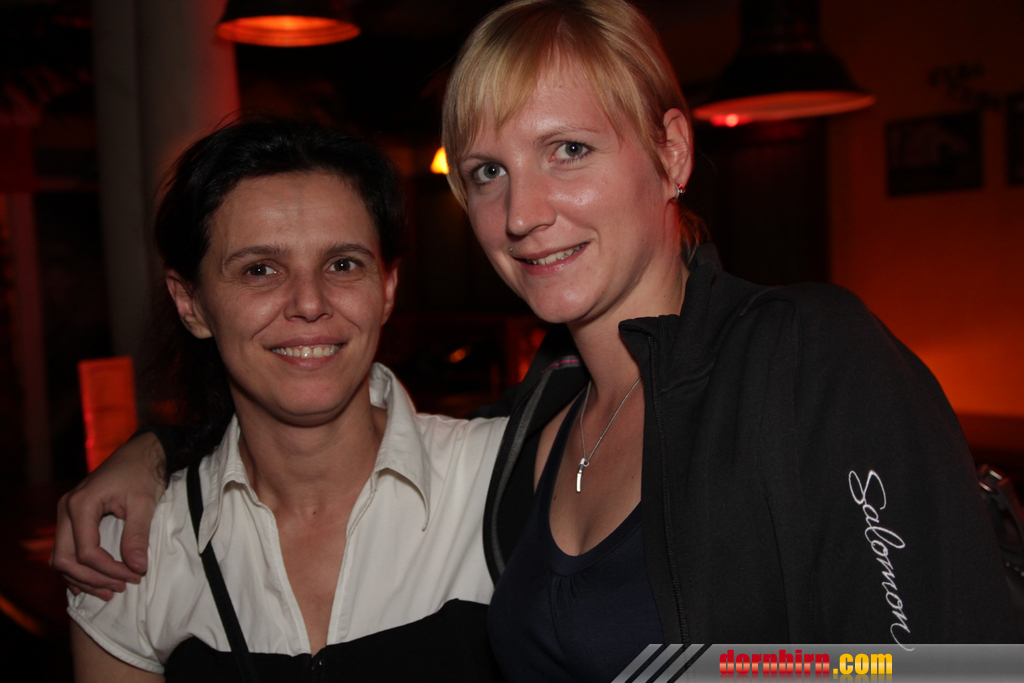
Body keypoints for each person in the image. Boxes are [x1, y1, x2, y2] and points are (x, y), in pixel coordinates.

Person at [55, 0, 1017, 680]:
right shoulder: (534, 432)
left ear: (673, 151)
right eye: (487, 171)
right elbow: (304, 430)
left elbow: (947, 666)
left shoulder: (803, 355)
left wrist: (706, 670)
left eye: (569, 150)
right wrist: (156, 449)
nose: (523, 212)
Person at [64, 120, 506, 682]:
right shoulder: (131, 546)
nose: (309, 302)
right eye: (260, 270)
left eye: (343, 264)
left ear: (387, 288)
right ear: (190, 303)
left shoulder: (503, 480)